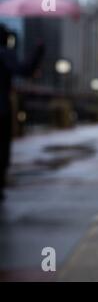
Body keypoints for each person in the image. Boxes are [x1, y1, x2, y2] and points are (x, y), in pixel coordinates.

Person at [0, 24, 44, 201]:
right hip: (1, 109)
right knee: (2, 149)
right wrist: (39, 50)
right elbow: (24, 70)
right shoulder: (4, 53)